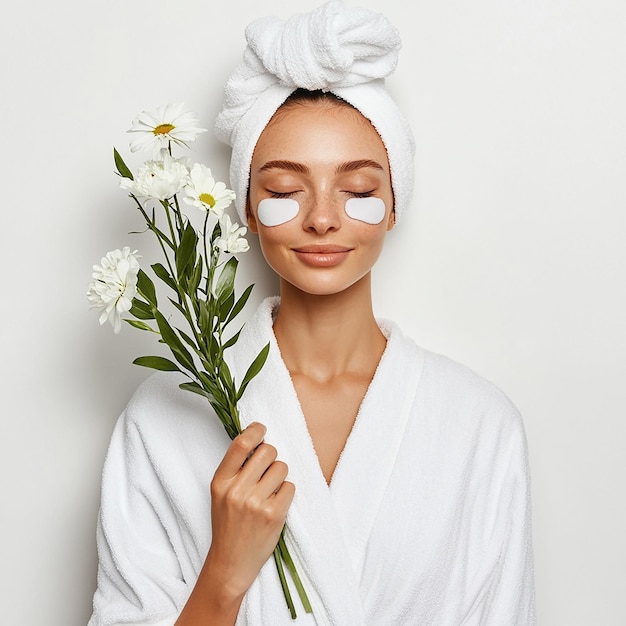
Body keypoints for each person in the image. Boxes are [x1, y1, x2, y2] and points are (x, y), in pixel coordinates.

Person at [88, 1, 535, 624]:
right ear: (246, 207)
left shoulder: (478, 425)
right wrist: (223, 576)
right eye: (284, 191)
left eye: (357, 191)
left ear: (395, 201)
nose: (322, 217)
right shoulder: (164, 417)